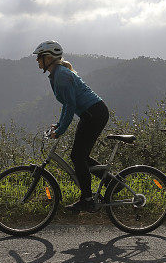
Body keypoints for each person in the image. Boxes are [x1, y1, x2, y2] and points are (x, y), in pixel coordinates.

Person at [33, 40, 109, 212]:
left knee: (77, 156)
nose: (37, 60)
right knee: (80, 155)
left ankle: (87, 199)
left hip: (94, 114)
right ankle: (112, 183)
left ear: (49, 58)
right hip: (92, 114)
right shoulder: (57, 74)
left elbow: (70, 105)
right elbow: (67, 105)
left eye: (39, 57)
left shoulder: (61, 75)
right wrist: (59, 124)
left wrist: (60, 130)